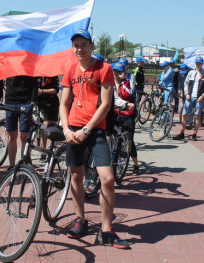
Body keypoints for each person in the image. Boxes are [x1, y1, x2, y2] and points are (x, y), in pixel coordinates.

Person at [59, 29, 129, 248]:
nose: (79, 49)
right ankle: (81, 220)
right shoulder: (70, 70)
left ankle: (106, 230)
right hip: (73, 130)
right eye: (76, 45)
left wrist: (87, 129)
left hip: (95, 131)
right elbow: (63, 104)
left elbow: (107, 103)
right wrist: (66, 130)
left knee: (107, 179)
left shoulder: (104, 68)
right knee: (76, 176)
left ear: (92, 46)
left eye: (83, 44)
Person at [0, 76, 38, 167]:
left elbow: (35, 78)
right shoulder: (8, 62)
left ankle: (24, 165)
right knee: (12, 136)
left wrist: (33, 100)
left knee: (24, 136)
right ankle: (11, 166)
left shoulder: (29, 62)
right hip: (11, 101)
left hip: (26, 101)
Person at [173, 56, 204, 141]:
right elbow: (186, 84)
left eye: (199, 63)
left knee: (198, 116)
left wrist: (203, 96)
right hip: (190, 97)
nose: (198, 64)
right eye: (197, 63)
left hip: (199, 98)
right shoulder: (190, 73)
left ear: (202, 64)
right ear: (195, 63)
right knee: (184, 115)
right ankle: (182, 133)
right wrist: (187, 93)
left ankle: (194, 134)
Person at [112, 62, 140, 175]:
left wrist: (123, 83)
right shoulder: (109, 84)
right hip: (114, 114)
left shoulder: (127, 84)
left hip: (127, 114)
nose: (116, 73)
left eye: (119, 71)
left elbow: (130, 95)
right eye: (114, 71)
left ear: (123, 72)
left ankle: (136, 164)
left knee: (129, 139)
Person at [36, 75, 60, 160]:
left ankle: (53, 147)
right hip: (42, 103)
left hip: (53, 102)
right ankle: (44, 150)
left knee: (53, 125)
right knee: (44, 125)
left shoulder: (53, 75)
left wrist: (42, 91)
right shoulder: (37, 75)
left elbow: (55, 90)